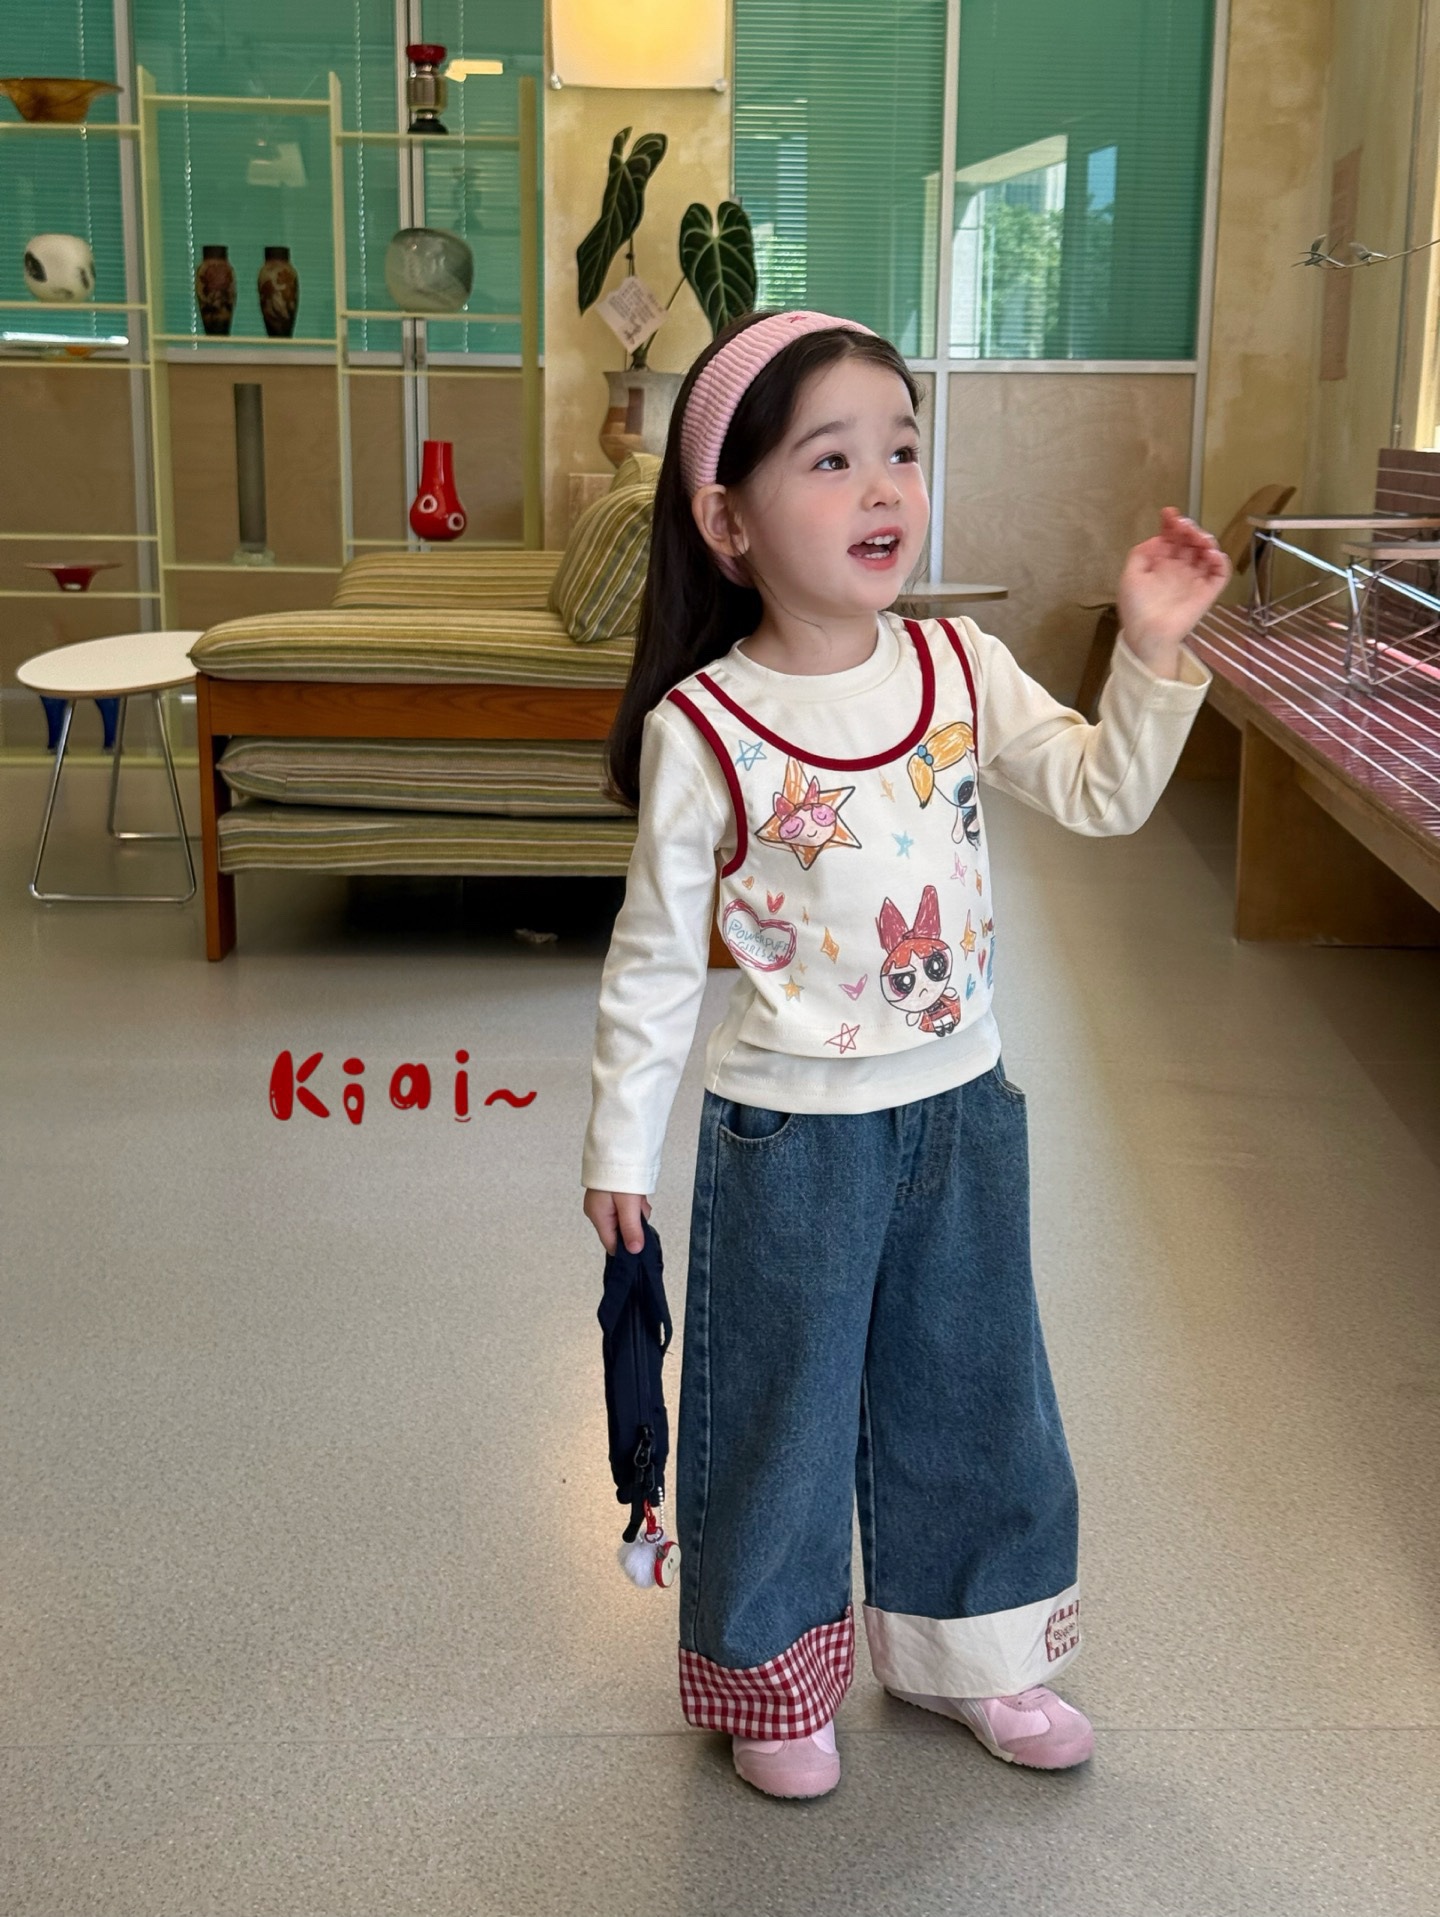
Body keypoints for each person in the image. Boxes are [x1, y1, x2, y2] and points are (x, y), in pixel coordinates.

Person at [581, 308, 1226, 1800]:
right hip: (786, 1134)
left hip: (961, 1110)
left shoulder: (958, 664)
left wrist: (1149, 651)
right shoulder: (705, 724)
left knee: (977, 1388)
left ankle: (979, 1656)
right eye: (831, 460)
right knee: (780, 1410)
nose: (883, 488)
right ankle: (772, 1676)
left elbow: (1103, 793)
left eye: (903, 451)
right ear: (729, 522)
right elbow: (656, 959)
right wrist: (619, 1149)